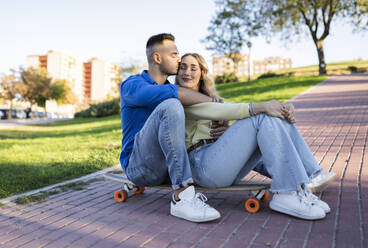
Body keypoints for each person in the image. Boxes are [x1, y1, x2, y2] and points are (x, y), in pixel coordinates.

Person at [175, 53, 336, 220]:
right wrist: (262, 106)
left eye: (193, 68)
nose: (187, 72)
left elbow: (221, 118)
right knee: (261, 117)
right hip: (201, 166)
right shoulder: (179, 98)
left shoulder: (209, 98)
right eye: (183, 67)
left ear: (202, 73)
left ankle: (304, 181)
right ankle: (287, 191)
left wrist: (280, 110)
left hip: (217, 164)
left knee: (272, 118)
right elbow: (221, 110)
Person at [119, 33, 222, 223]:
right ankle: (182, 197)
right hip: (138, 167)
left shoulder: (172, 90)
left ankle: (290, 183)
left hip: (165, 169)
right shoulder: (132, 85)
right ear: (157, 58)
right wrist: (216, 103)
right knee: (171, 104)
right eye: (174, 54)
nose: (179, 59)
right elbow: (170, 94)